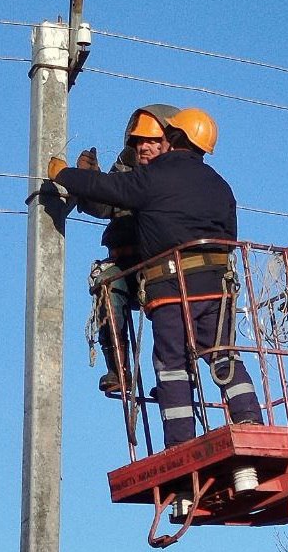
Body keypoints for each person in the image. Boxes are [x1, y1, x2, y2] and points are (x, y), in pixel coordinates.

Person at [48, 108, 263, 447]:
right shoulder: (221, 186)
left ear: (172, 138)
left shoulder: (151, 179)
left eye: (153, 140)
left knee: (171, 364)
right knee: (223, 354)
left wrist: (66, 175)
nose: (145, 147)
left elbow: (103, 188)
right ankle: (250, 419)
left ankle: (180, 444)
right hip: (218, 289)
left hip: (171, 289)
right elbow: (230, 235)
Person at [77, 104, 179, 394]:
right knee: (106, 283)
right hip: (126, 258)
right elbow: (106, 203)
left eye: (151, 140)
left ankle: (175, 378)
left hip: (164, 263)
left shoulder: (182, 171)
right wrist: (90, 181)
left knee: (171, 307)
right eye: (138, 140)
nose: (143, 147)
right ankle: (118, 369)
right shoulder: (128, 162)